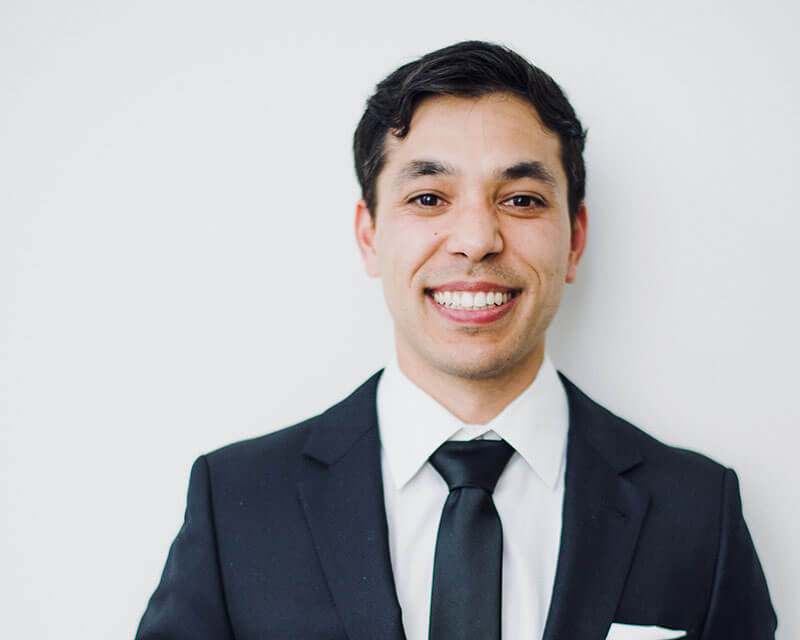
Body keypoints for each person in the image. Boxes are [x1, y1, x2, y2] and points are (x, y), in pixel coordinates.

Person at [135, 41, 776, 640]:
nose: (476, 240)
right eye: (428, 197)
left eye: (521, 199)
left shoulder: (698, 511)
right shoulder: (235, 503)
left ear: (575, 240)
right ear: (369, 236)